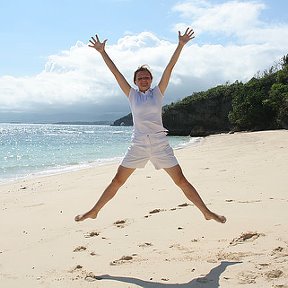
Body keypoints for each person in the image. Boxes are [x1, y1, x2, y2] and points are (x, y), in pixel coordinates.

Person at [75, 28, 226, 224]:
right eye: (140, 78)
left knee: (181, 181)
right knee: (117, 181)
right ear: (135, 82)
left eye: (147, 77)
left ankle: (207, 212)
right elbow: (116, 73)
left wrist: (180, 45)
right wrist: (103, 52)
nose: (144, 80)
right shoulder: (132, 95)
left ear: (151, 80)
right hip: (138, 145)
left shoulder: (158, 93)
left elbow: (169, 68)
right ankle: (94, 211)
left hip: (160, 144)